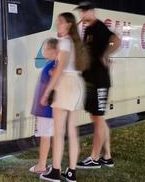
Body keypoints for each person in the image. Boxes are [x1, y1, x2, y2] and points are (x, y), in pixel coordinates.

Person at [40, 13, 89, 182]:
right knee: (72, 131)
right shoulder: (76, 42)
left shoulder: (64, 42)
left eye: (60, 21)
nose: (57, 24)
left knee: (58, 132)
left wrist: (47, 92)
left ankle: (55, 171)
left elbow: (60, 69)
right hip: (76, 84)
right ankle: (72, 172)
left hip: (65, 85)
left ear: (68, 25)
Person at [75, 1, 121, 169]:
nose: (82, 15)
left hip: (100, 81)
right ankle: (107, 156)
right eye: (80, 12)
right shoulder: (87, 29)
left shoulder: (100, 27)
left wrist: (106, 54)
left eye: (84, 12)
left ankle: (94, 158)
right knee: (98, 118)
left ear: (92, 11)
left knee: (98, 118)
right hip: (91, 80)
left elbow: (116, 40)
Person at [29, 38, 58, 174]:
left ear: (53, 51)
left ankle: (41, 165)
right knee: (49, 136)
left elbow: (56, 80)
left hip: (46, 109)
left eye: (46, 49)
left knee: (45, 136)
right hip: (47, 109)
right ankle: (52, 163)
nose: (44, 51)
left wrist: (46, 97)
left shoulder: (53, 65)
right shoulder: (52, 64)